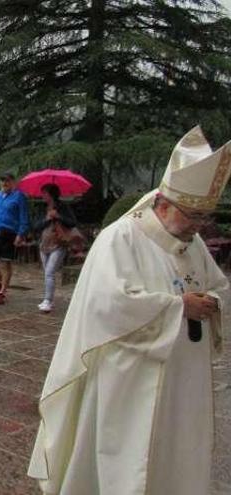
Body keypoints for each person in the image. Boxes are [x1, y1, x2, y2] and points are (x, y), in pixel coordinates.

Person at [28, 126, 231, 495]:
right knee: (129, 462)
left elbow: (218, 286)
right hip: (131, 379)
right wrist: (177, 307)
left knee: (177, 455)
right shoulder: (121, 238)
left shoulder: (192, 242)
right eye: (193, 217)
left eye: (204, 219)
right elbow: (108, 304)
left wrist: (214, 302)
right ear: (165, 204)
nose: (198, 228)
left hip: (183, 377)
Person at [0, 171, 30, 304]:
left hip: (10, 233)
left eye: (7, 181)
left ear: (13, 182)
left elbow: (23, 216)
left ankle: (2, 292)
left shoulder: (19, 197)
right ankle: (1, 280)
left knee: (6, 262)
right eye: (2, 181)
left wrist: (21, 234)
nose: (4, 183)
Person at [31, 183, 77, 313]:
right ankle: (48, 299)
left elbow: (72, 222)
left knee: (50, 272)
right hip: (44, 245)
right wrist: (47, 219)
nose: (42, 195)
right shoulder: (42, 208)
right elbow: (36, 226)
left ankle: (48, 300)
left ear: (51, 194)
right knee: (47, 274)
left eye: (45, 193)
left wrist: (58, 216)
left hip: (58, 244)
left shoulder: (62, 207)